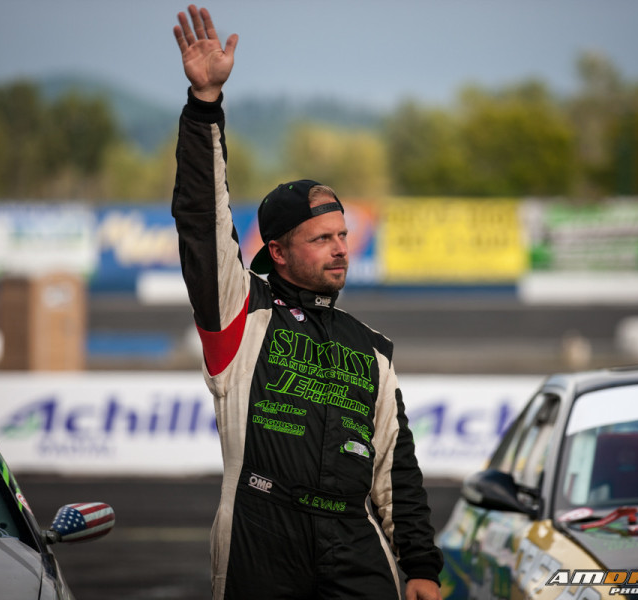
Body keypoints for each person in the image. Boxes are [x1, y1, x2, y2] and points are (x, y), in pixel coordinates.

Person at [171, 6, 444, 599]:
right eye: (322, 239)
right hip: (262, 531)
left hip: (354, 540)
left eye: (343, 235)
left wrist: (421, 565)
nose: (341, 248)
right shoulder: (240, 314)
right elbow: (201, 221)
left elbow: (396, 468)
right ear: (277, 250)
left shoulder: (371, 349)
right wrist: (205, 105)